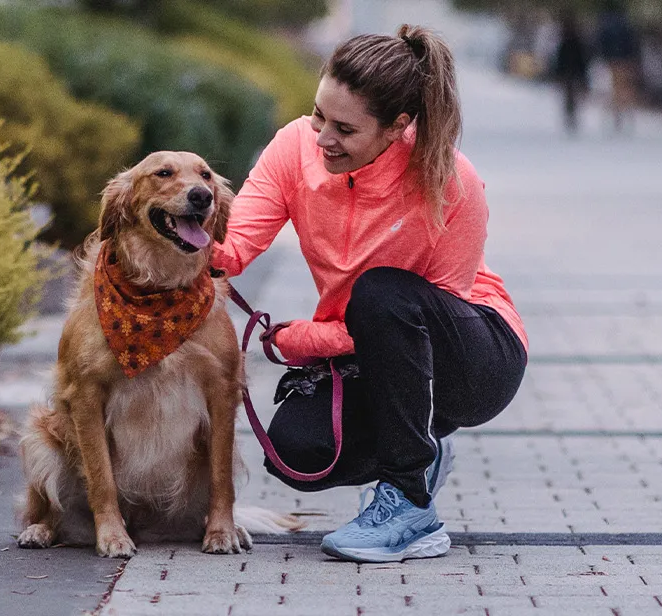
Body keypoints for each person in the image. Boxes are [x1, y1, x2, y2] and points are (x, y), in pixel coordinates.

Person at [211, 25, 528, 563]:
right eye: (318, 115)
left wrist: (308, 337)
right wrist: (177, 226)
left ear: (397, 127)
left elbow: (430, 312)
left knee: (382, 292)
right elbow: (234, 245)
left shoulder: (448, 178)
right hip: (373, 349)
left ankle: (408, 504)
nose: (321, 138)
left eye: (344, 128)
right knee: (299, 447)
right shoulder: (294, 149)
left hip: (474, 358)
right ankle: (420, 452)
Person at [596, 6, 640, 133]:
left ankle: (618, 113)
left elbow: (602, 43)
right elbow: (632, 44)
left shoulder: (607, 27)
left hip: (612, 61)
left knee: (615, 88)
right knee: (624, 88)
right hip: (624, 60)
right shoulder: (626, 27)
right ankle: (623, 112)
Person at [554, 12, 591, 134]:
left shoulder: (569, 41)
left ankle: (571, 115)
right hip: (571, 72)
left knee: (570, 95)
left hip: (570, 71)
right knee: (569, 95)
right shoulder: (572, 41)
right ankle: (570, 115)